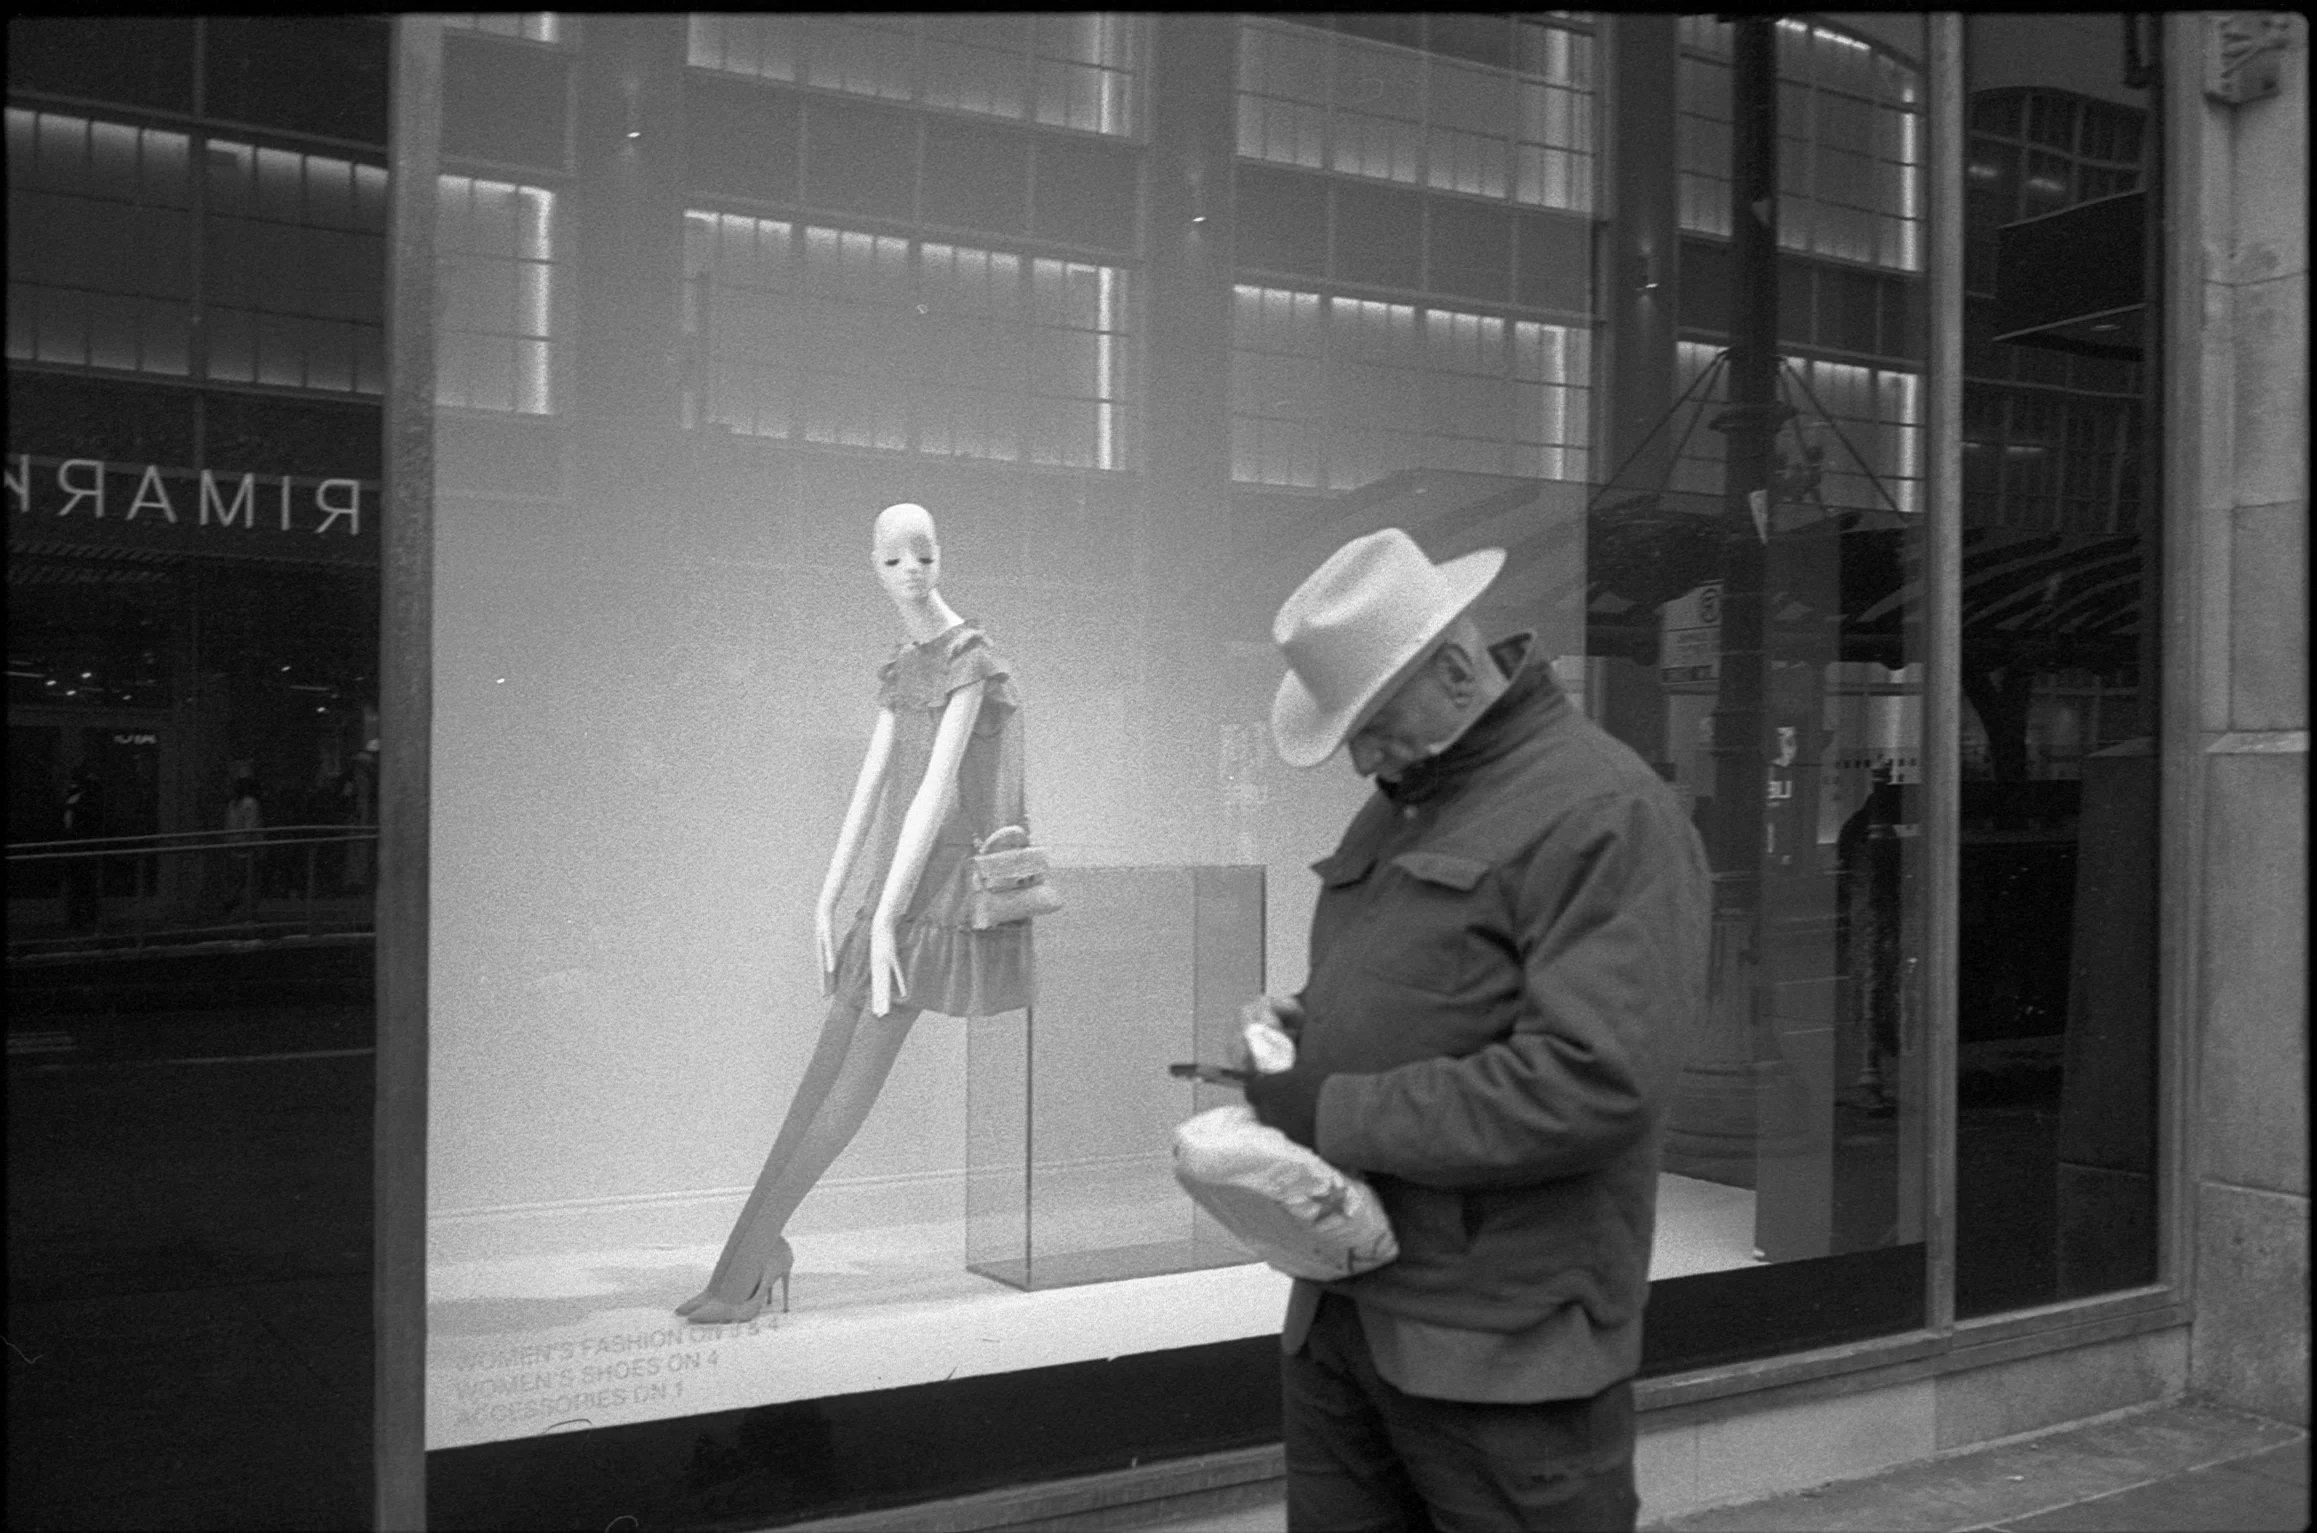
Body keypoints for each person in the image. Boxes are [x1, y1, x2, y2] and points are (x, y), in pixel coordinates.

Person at [1242, 527, 1712, 1532]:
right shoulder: (1407, 800)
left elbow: (1592, 1082)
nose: (1359, 756)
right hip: (1347, 1323)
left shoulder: (1605, 810)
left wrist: (1329, 1104)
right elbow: (1431, 995)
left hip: (1500, 1356)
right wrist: (1309, 1034)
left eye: (1368, 723)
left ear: (1454, 671)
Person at [677, 502, 1036, 1325]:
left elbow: (940, 790)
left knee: (846, 1091)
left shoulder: (972, 661)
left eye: (923, 555)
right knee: (818, 1084)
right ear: (873, 566)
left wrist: (881, 920)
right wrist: (830, 893)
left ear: (940, 556)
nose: (911, 571)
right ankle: (748, 1259)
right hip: (886, 895)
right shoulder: (904, 664)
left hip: (931, 899)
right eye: (892, 560)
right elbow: (873, 783)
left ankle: (744, 1272)